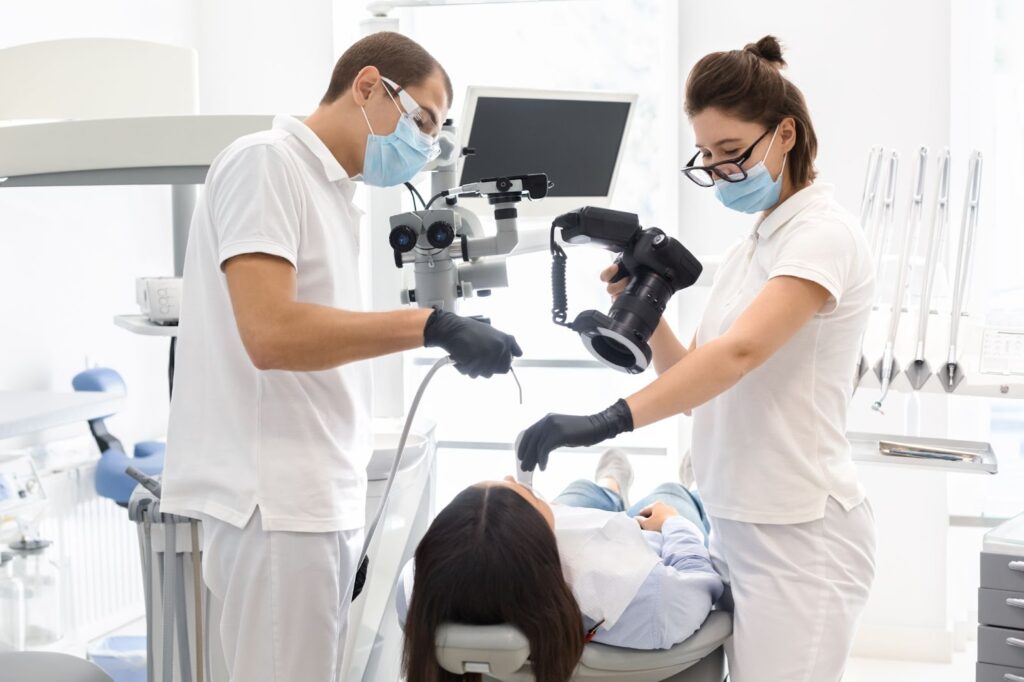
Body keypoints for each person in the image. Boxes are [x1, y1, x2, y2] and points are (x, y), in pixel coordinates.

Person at [159, 32, 522, 682]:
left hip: (308, 502)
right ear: (367, 86)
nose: (425, 146)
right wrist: (431, 326)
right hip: (274, 502)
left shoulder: (331, 194)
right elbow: (270, 333)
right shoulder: (266, 163)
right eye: (422, 122)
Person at [516, 36, 876, 681]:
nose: (719, 170)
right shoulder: (754, 247)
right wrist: (646, 313)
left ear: (786, 135)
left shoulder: (822, 235)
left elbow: (739, 353)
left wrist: (605, 421)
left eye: (732, 152)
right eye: (707, 156)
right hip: (738, 518)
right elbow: (700, 375)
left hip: (800, 535)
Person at [398, 449, 724, 682]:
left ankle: (610, 485)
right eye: (527, 494)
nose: (511, 476)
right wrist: (673, 523)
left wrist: (534, 510)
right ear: (542, 549)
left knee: (576, 497)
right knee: (668, 496)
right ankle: (690, 489)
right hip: (650, 547)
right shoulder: (653, 599)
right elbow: (698, 578)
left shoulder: (422, 588)